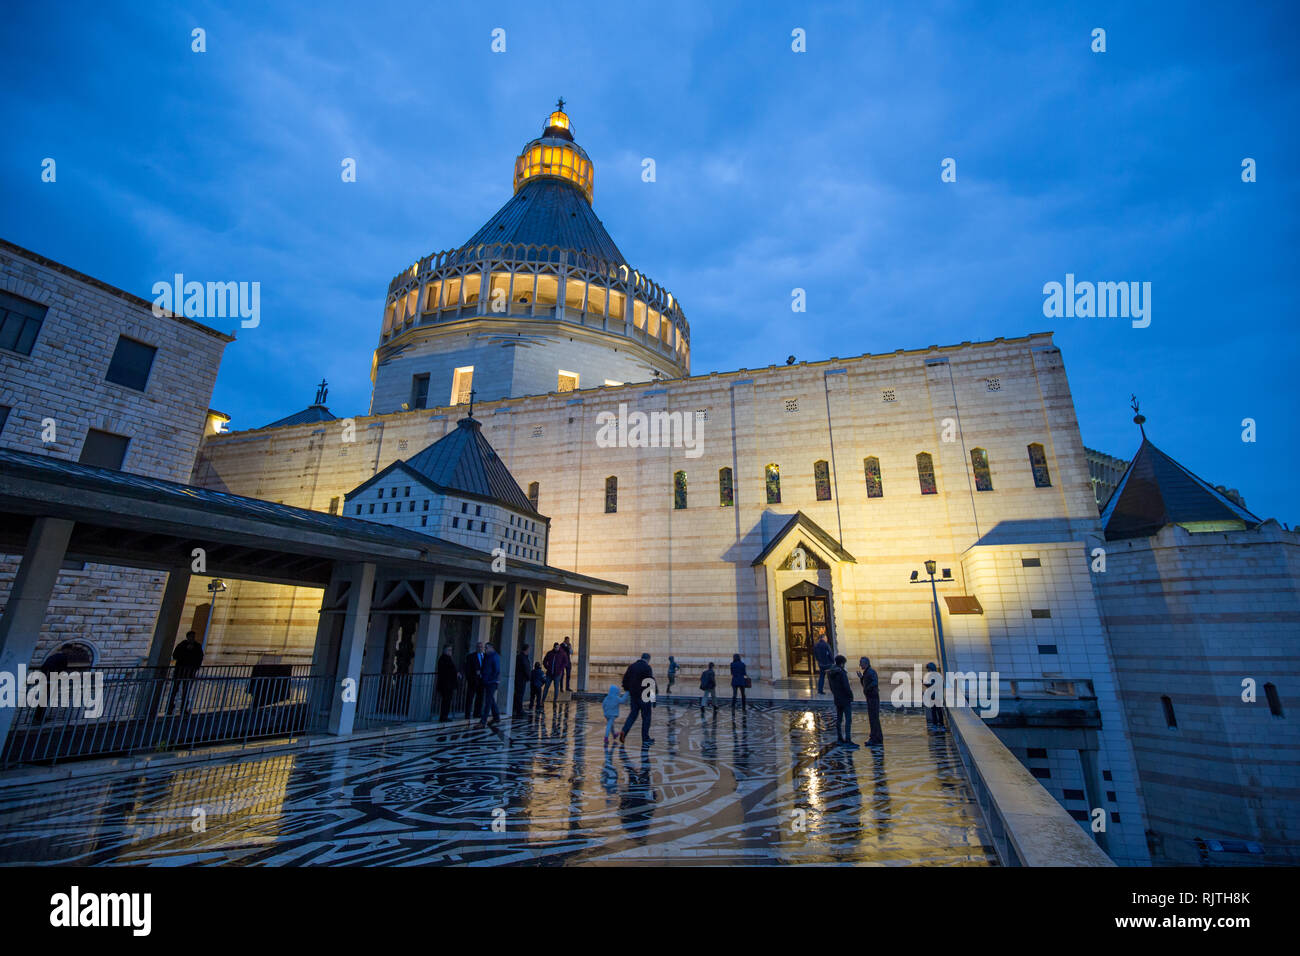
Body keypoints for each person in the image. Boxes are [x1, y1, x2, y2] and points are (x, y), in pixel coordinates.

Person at [618, 653, 655, 745]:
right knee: (646, 717)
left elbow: (625, 680)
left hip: (634, 696)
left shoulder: (632, 666)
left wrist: (628, 690)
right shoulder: (647, 667)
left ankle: (624, 731)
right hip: (644, 696)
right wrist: (653, 698)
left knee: (633, 715)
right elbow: (650, 682)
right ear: (648, 659)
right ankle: (645, 738)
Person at [168, 630, 204, 715]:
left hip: (189, 672)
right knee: (175, 689)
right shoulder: (182, 645)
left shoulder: (197, 646)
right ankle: (170, 707)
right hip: (180, 671)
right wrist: (186, 651)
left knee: (186, 691)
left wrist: (195, 668)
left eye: (193, 637)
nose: (192, 638)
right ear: (187, 637)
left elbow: (199, 657)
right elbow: (175, 655)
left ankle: (183, 709)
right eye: (191, 637)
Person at [827, 654, 857, 747]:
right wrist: (851, 695)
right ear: (842, 663)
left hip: (837, 698)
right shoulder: (841, 673)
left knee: (839, 719)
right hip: (845, 698)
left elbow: (831, 687)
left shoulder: (830, 672)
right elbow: (846, 686)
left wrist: (836, 694)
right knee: (848, 719)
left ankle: (840, 738)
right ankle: (848, 740)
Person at [857, 656, 883, 745]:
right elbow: (865, 684)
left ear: (866, 663)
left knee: (873, 718)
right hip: (870, 697)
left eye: (861, 663)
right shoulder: (866, 672)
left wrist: (867, 689)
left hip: (873, 698)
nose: (860, 665)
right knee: (873, 718)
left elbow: (874, 683)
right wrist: (861, 678)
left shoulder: (871, 672)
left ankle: (875, 738)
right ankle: (877, 737)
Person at [478, 643, 501, 727]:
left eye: (486, 648)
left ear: (491, 648)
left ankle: (483, 721)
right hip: (487, 681)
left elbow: (496, 670)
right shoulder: (487, 656)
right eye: (485, 648)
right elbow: (485, 667)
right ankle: (496, 717)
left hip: (491, 682)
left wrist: (491, 679)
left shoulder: (495, 656)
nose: (485, 650)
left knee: (488, 701)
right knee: (491, 700)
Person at [435, 645, 458, 722]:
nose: (450, 652)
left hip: (448, 684)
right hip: (446, 684)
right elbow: (448, 671)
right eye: (448, 650)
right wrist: (456, 673)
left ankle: (444, 716)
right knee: (446, 701)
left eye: (451, 650)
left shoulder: (447, 659)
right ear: (444, 650)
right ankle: (443, 717)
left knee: (447, 701)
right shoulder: (444, 659)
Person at [463, 642, 484, 720]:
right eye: (478, 647)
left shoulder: (485, 657)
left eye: (481, 647)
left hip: (482, 681)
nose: (480, 648)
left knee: (480, 698)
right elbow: (467, 669)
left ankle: (477, 713)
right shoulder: (471, 656)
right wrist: (472, 675)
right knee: (470, 698)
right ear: (476, 648)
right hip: (473, 680)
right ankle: (467, 714)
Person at [924, 661, 945, 731]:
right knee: (933, 711)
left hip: (937, 696)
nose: (928, 670)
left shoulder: (937, 675)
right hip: (932, 696)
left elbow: (935, 685)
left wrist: (927, 685)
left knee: (939, 711)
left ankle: (941, 725)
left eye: (929, 669)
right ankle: (935, 725)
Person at [514, 644, 531, 713]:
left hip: (521, 678)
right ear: (526, 650)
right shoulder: (522, 657)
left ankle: (517, 707)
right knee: (520, 694)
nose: (529, 651)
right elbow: (525, 668)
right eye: (528, 649)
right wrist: (529, 677)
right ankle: (519, 709)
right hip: (521, 678)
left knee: (518, 694)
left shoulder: (522, 657)